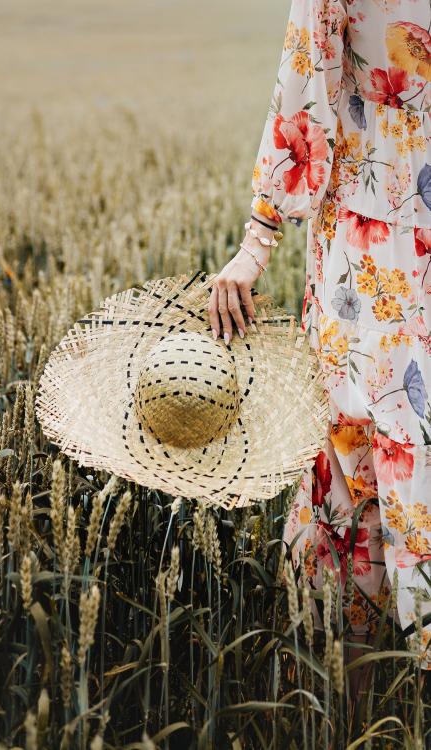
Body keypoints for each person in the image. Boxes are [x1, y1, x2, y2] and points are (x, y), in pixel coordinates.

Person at [208, 0, 430, 669]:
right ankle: (347, 700)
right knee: (370, 450)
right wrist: (257, 239)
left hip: (395, 236)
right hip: (372, 251)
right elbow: (307, 75)